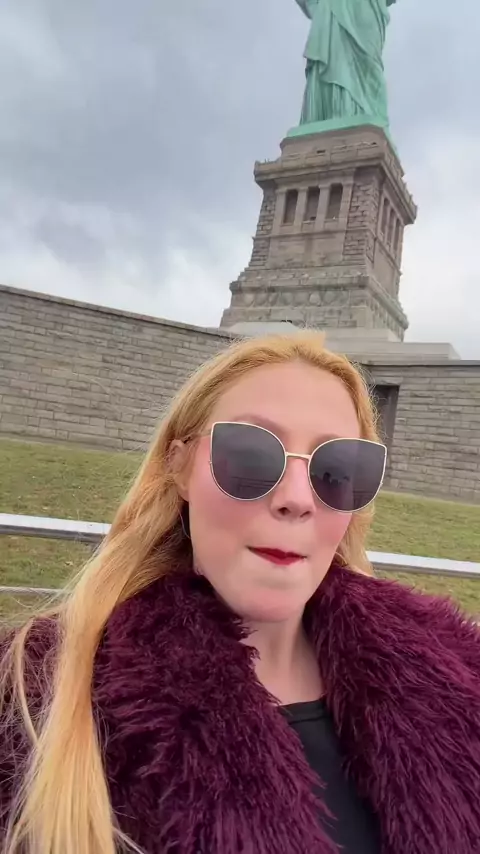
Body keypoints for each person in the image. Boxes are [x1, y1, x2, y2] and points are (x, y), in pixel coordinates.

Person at [1, 330, 480, 854]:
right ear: (178, 465)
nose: (297, 499)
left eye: (336, 469)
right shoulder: (31, 695)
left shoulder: (457, 672)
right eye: (250, 455)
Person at [294, 0, 396, 129]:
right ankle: (337, 113)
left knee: (369, 66)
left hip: (366, 7)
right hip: (331, 7)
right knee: (335, 56)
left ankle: (368, 114)